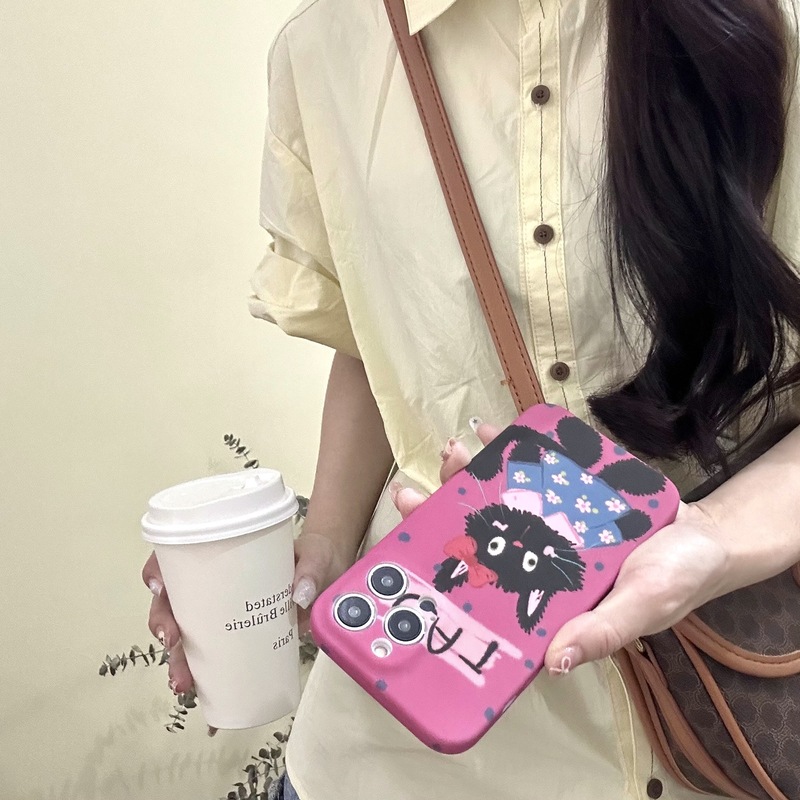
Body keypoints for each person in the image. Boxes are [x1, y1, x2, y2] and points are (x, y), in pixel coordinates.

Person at [144, 0, 800, 797]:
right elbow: (380, 334)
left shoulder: (761, 23)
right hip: (401, 746)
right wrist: (320, 552)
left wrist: (717, 537)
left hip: (719, 710)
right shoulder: (325, 53)